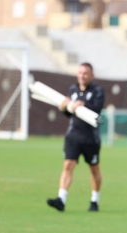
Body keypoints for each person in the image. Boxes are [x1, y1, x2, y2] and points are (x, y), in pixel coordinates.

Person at [47, 62, 105, 212]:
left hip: (91, 137)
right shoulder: (73, 89)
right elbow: (69, 113)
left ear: (92, 75)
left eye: (85, 73)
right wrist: (63, 107)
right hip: (73, 135)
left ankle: (94, 200)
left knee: (94, 169)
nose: (82, 76)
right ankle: (61, 199)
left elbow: (97, 109)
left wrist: (83, 105)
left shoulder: (98, 91)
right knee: (68, 165)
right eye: (80, 73)